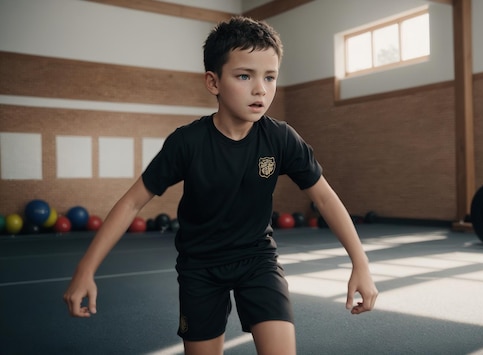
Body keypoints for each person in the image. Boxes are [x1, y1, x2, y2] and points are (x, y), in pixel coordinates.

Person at [63, 16, 378, 355]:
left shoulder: (281, 138)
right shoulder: (187, 143)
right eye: (245, 75)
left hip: (257, 259)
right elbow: (131, 203)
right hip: (200, 266)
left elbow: (326, 200)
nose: (260, 88)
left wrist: (360, 263)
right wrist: (86, 269)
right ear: (213, 82)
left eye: (270, 77)